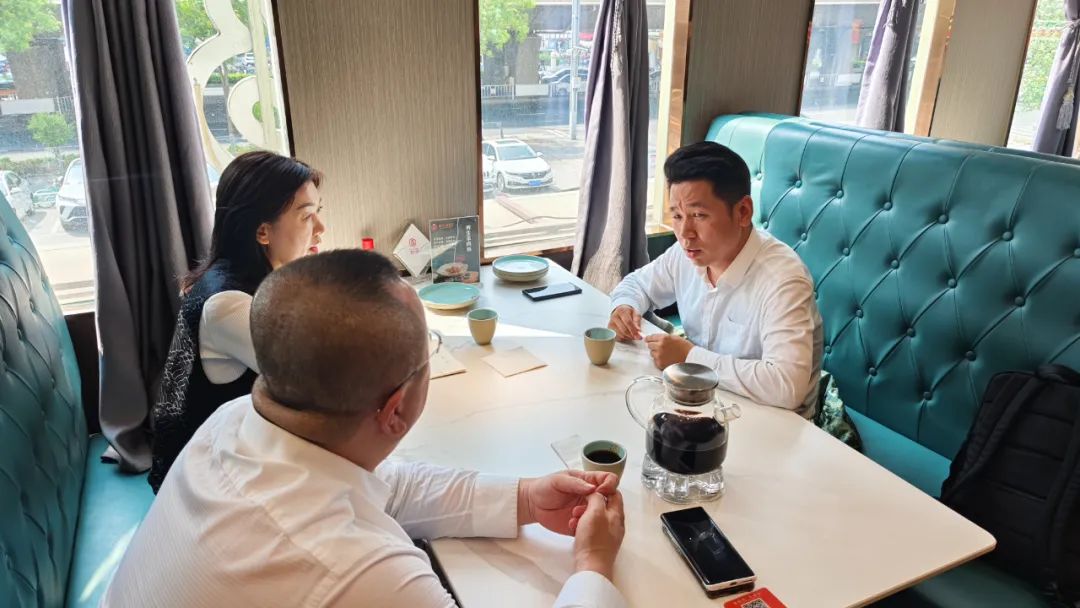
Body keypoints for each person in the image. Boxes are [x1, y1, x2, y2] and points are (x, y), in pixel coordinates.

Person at [104, 250, 628, 607]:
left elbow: (384, 486)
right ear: (395, 410)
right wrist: (592, 564)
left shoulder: (232, 421)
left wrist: (526, 499)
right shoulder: (361, 573)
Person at [148, 151, 325, 492]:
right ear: (262, 232)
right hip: (204, 484)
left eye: (319, 212)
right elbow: (316, 384)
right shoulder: (228, 305)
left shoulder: (248, 277)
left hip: (235, 454)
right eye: (307, 217)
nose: (321, 229)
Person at [609, 142, 823, 417]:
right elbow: (637, 285)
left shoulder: (783, 279)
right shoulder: (686, 254)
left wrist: (690, 357)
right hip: (703, 403)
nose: (685, 233)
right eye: (677, 215)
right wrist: (624, 307)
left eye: (699, 215)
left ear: (743, 212)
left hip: (774, 420)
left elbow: (786, 386)